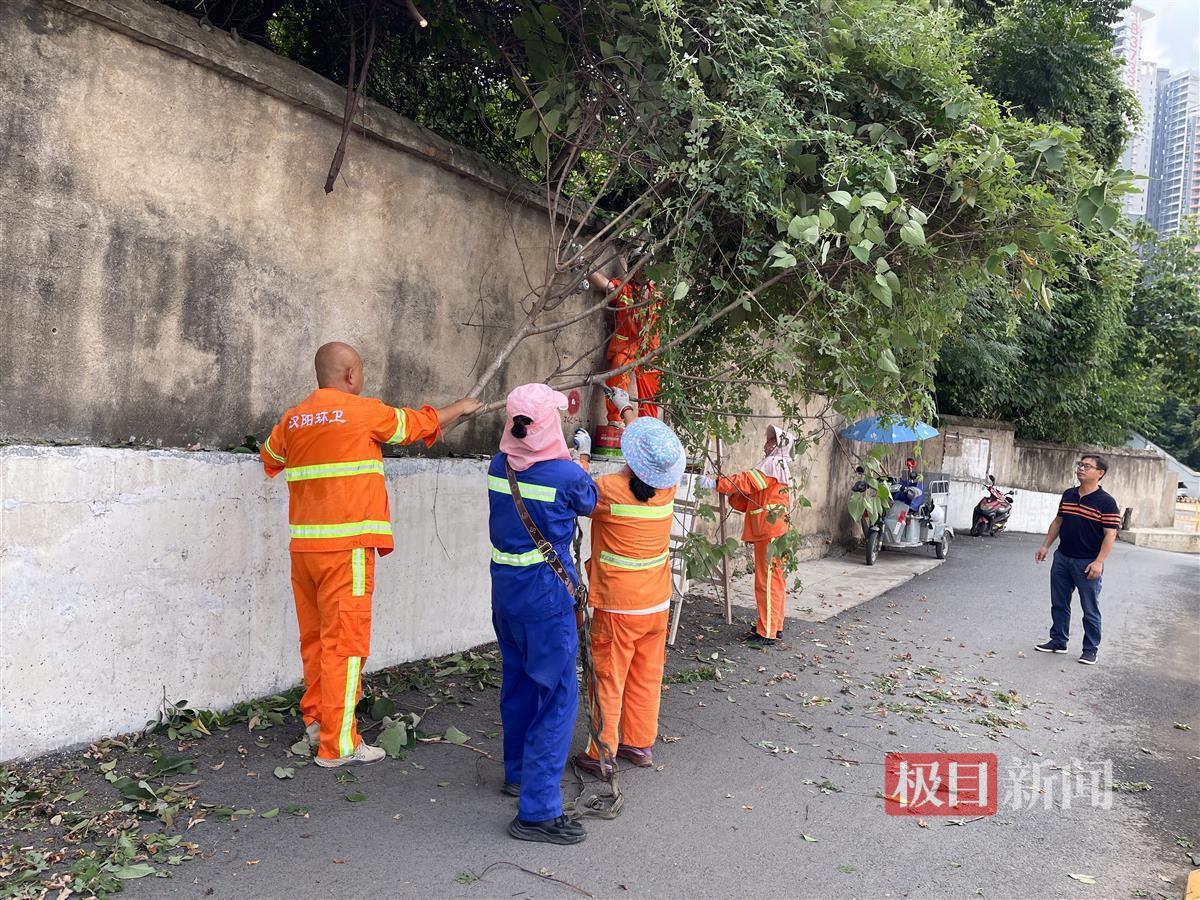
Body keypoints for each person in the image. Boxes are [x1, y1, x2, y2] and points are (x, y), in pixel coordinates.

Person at [260, 342, 480, 766]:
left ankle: (317, 722)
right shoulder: (363, 411)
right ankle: (338, 745)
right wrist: (458, 409)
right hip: (348, 552)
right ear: (349, 376)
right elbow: (414, 425)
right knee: (344, 645)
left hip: (305, 551)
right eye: (360, 371)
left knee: (316, 641)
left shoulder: (293, 419)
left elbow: (270, 458)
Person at [487, 383, 597, 845]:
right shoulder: (565, 475)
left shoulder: (498, 464)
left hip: (505, 594)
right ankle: (537, 811)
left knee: (517, 685)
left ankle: (516, 773)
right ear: (549, 425)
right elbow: (588, 501)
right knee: (556, 696)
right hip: (546, 600)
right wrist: (579, 463)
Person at [569, 388, 685, 778]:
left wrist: (581, 456)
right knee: (646, 675)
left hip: (618, 606)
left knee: (609, 676)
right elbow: (650, 455)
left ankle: (601, 751)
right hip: (656, 605)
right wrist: (627, 410)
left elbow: (576, 493)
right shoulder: (667, 491)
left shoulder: (608, 490)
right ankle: (638, 744)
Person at [699, 425, 795, 645]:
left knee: (767, 582)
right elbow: (751, 497)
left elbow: (747, 482)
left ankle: (767, 631)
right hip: (774, 531)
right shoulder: (779, 468)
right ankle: (773, 625)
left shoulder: (772, 466)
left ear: (777, 446)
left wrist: (716, 483)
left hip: (768, 531)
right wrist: (730, 493)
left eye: (770, 441)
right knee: (775, 580)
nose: (765, 444)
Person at [1034, 454, 1121, 665]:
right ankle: (1058, 640)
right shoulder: (1069, 495)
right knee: (1059, 603)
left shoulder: (1107, 502)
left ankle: (1090, 649)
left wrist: (1099, 562)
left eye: (1087, 466)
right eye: (1080, 465)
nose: (1081, 468)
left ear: (1100, 474)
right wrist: (1046, 545)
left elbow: (1110, 535)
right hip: (1063, 558)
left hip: (1087, 563)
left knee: (1090, 608)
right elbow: (1058, 522)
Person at [588, 265, 663, 423]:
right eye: (640, 267)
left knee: (650, 393)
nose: (643, 271)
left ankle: (648, 426)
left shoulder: (658, 293)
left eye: (646, 268)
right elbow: (606, 285)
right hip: (626, 347)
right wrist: (585, 267)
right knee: (617, 372)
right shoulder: (625, 288)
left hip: (649, 351)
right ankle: (615, 420)